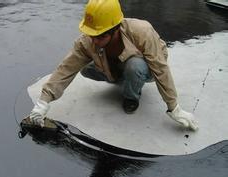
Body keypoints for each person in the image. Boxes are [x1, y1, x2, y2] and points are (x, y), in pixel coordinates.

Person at [29, 0, 198, 131]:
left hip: (144, 69)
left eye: (100, 36)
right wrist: (43, 101)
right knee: (85, 69)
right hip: (115, 67)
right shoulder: (88, 41)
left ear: (115, 28)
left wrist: (174, 107)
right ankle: (122, 78)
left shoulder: (142, 31)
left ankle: (131, 96)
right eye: (91, 34)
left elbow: (160, 68)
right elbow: (65, 69)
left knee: (134, 67)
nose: (94, 40)